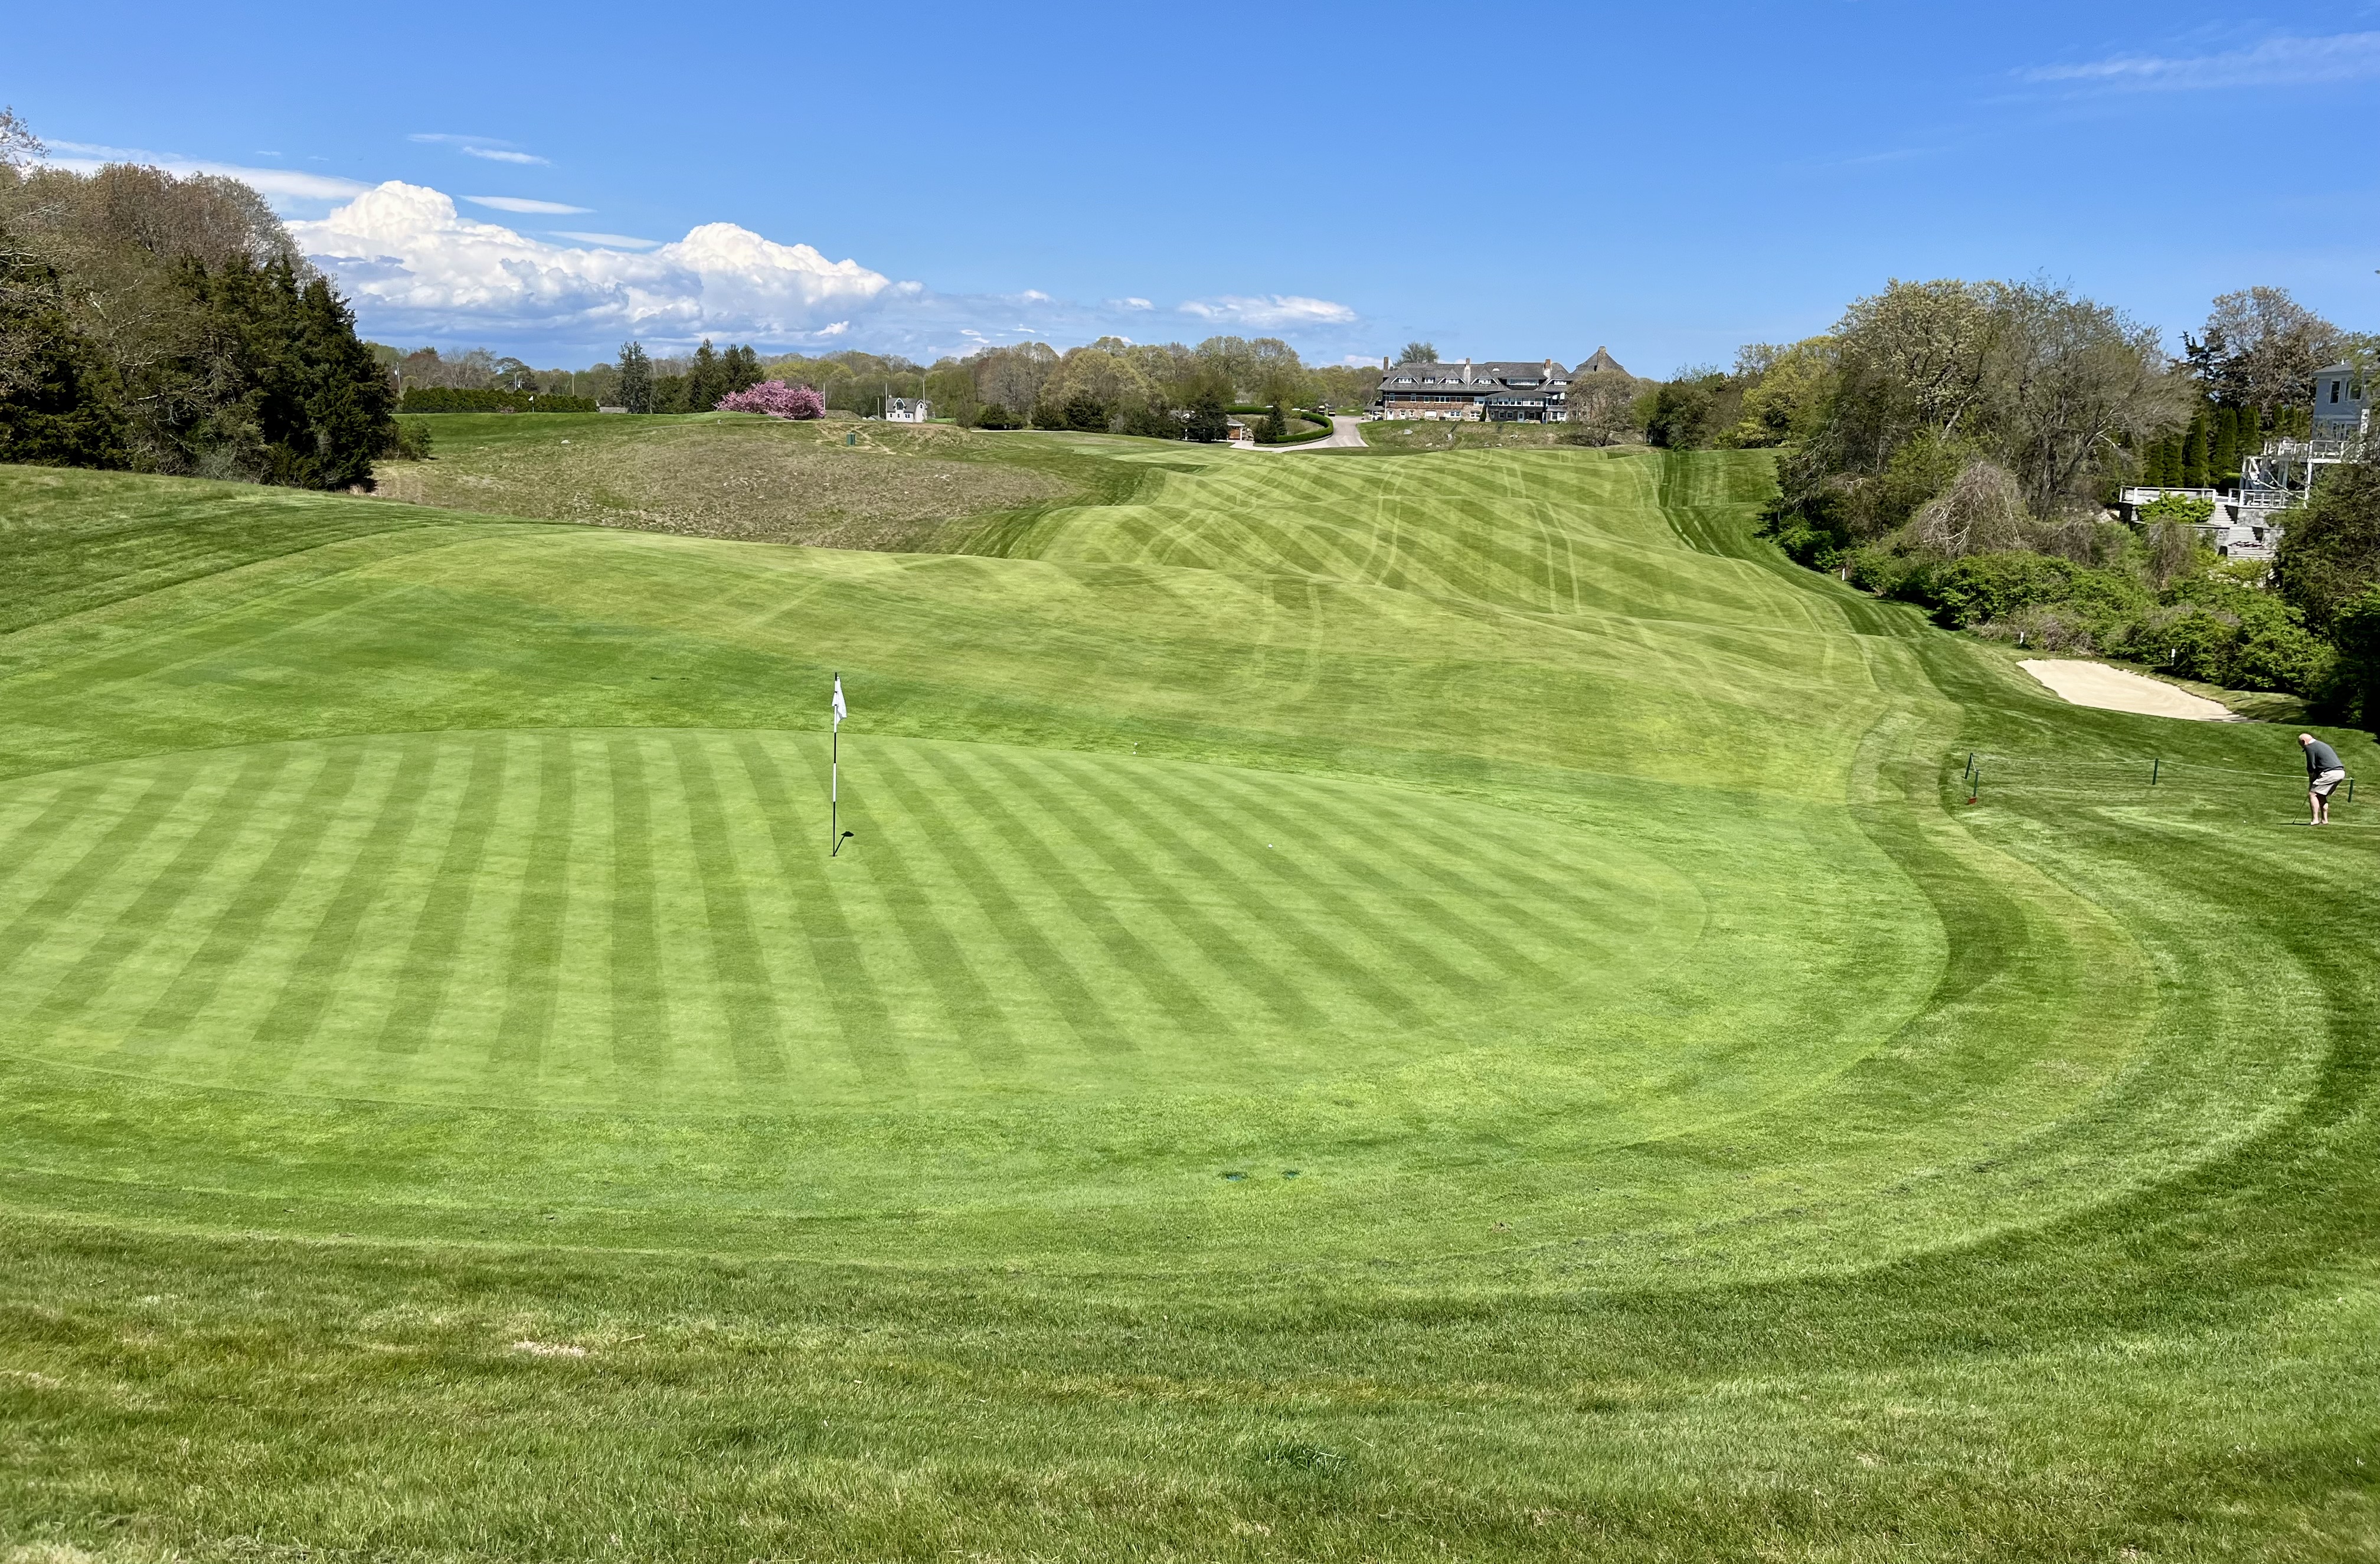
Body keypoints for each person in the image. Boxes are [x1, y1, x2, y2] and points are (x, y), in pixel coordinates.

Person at [2299, 732, 2348, 825]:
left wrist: (2312, 780)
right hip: (2340, 772)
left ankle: (2315, 820)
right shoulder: (2322, 744)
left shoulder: (2310, 747)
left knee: (2313, 794)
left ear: (2303, 742)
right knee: (2321, 795)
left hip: (2330, 773)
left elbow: (2311, 767)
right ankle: (2325, 820)